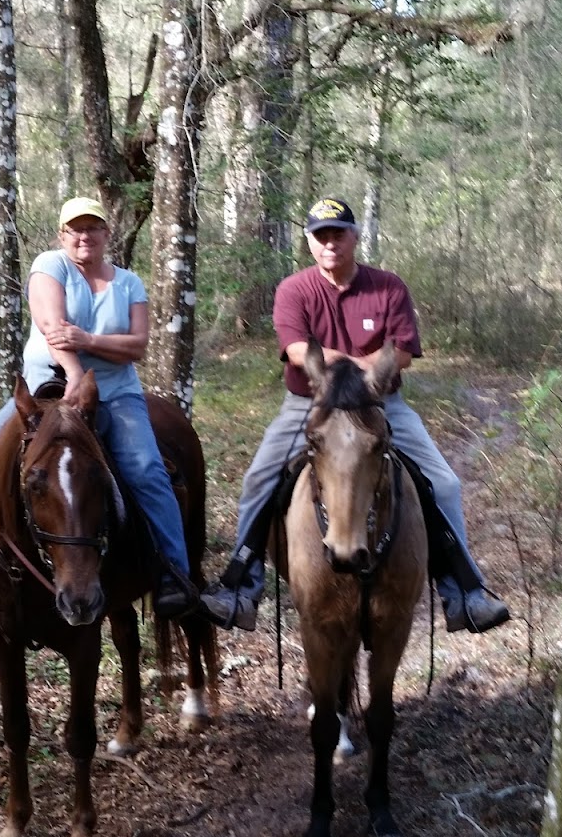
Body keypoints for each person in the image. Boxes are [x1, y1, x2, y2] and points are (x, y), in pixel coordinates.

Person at [202, 197, 511, 636]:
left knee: (443, 482)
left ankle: (463, 590)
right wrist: (358, 363)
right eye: (321, 236)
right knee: (258, 479)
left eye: (338, 234)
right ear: (310, 242)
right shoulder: (295, 289)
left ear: (354, 237)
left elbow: (400, 352)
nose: (330, 243)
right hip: (311, 406)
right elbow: (296, 351)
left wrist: (351, 369)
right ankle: (241, 586)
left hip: (381, 405)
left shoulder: (388, 287)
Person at [0, 196, 200, 620]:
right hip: (46, 390)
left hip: (116, 393)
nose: (85, 236)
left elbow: (137, 346)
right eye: (75, 229)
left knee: (146, 469)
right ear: (62, 235)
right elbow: (52, 329)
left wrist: (86, 342)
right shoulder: (50, 267)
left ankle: (172, 572)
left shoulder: (128, 283)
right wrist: (73, 372)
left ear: (107, 234)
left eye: (93, 228)